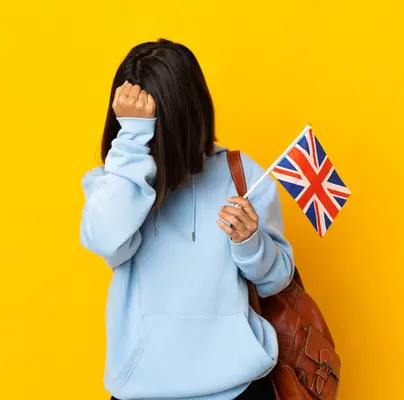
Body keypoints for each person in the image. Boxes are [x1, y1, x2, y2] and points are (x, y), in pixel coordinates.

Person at [79, 39, 294, 400]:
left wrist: (251, 244)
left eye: (152, 122)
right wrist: (132, 140)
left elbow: (277, 280)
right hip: (141, 390)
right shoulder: (116, 182)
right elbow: (105, 240)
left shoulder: (240, 175)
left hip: (237, 388)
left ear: (184, 115)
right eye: (132, 120)